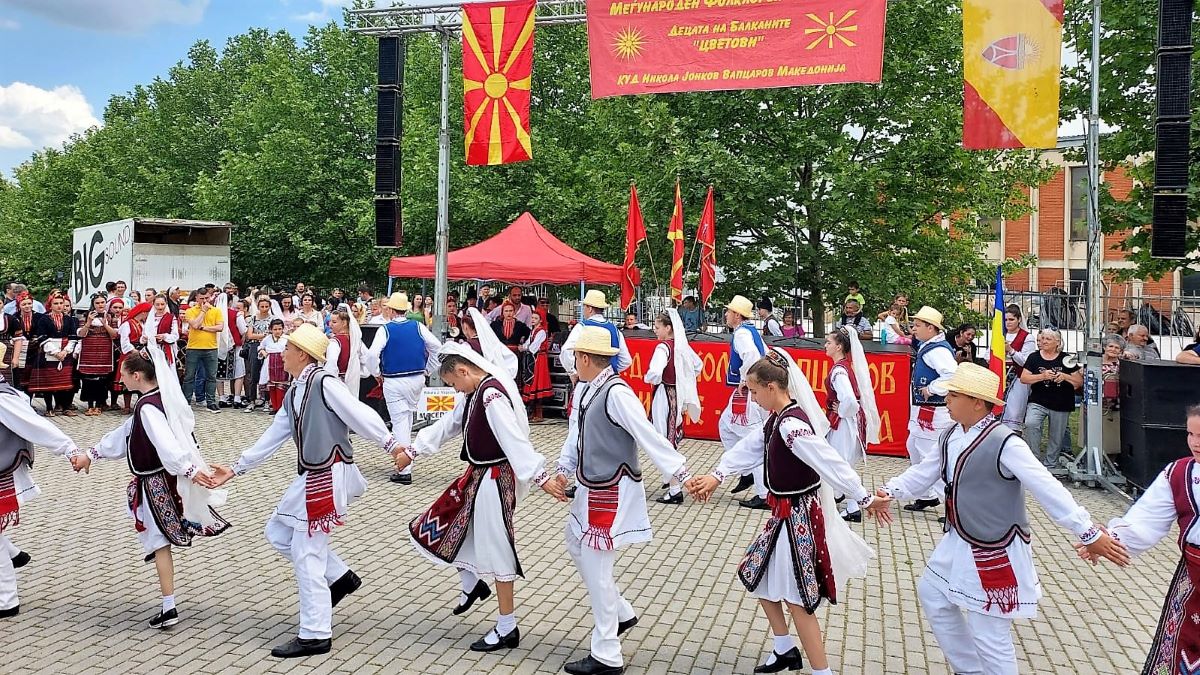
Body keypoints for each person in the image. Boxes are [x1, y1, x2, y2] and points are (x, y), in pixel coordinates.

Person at [876, 362, 1127, 675]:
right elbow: (924, 472)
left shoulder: (1006, 442)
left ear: (977, 403)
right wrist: (890, 491)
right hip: (958, 540)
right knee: (933, 594)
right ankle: (970, 670)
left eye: (954, 395)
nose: (947, 400)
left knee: (989, 632)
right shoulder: (951, 435)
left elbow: (1046, 487)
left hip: (995, 547)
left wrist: (1087, 531)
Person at [202, 324, 401, 658]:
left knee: (307, 553)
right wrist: (235, 468)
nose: (283, 353)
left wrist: (391, 444)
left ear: (304, 355)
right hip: (313, 473)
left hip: (327, 474)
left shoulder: (324, 382)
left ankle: (315, 633)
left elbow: (359, 413)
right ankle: (339, 577)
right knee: (277, 532)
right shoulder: (297, 388)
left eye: (289, 348)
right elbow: (275, 434)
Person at [686, 347, 889, 675]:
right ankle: (784, 649)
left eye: (754, 392)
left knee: (797, 598)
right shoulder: (776, 419)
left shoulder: (791, 426)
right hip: (783, 516)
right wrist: (717, 475)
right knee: (757, 575)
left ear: (771, 387)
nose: (752, 399)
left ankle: (822, 672)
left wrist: (864, 498)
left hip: (799, 519)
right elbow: (751, 447)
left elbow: (829, 461)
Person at [546, 327, 692, 675]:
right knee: (575, 542)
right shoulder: (588, 388)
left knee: (597, 568)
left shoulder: (616, 393)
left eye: (575, 356)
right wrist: (564, 468)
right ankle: (621, 612)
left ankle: (607, 653)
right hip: (591, 484)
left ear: (585, 358)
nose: (572, 362)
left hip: (609, 489)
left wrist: (681, 474)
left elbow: (647, 434)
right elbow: (577, 433)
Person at [398, 344, 561, 652]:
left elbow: (513, 439)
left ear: (464, 371)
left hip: (496, 478)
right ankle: (472, 584)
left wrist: (540, 477)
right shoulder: (474, 394)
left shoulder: (491, 396)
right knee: (438, 528)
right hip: (478, 475)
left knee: (499, 549)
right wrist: (414, 450)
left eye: (453, 383)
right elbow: (447, 425)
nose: (454, 389)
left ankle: (507, 626)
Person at [75, 345, 230, 629]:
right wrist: (91, 454)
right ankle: (167, 602)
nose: (120, 379)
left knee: (159, 543)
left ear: (136, 376)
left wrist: (189, 469)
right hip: (162, 477)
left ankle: (169, 607)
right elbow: (125, 433)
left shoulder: (148, 407)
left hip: (158, 481)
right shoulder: (157, 399)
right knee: (158, 541)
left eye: (123, 375)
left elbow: (166, 443)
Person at [1091, 404, 1200, 673]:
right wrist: (1107, 540)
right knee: (1183, 655)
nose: (1195, 443)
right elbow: (1145, 520)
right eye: (1191, 434)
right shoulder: (1180, 473)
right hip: (1194, 582)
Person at [0, 341, 81, 619]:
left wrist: (69, 448)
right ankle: (13, 553)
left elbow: (36, 425)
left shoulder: (4, 398)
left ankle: (6, 600)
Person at [364, 292, 441, 485]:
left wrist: (376, 372)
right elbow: (437, 346)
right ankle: (405, 461)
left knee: (399, 422)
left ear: (391, 310)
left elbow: (372, 355)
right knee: (406, 418)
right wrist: (428, 368)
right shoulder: (418, 326)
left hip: (394, 380)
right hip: (416, 378)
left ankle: (404, 468)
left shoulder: (386, 329)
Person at [716, 295, 771, 509]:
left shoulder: (741, 334)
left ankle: (763, 493)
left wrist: (745, 380)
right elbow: (766, 354)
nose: (726, 315)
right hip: (752, 390)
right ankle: (746, 471)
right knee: (725, 425)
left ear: (737, 315)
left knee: (752, 440)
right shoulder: (751, 330)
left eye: (729, 312)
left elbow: (752, 355)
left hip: (748, 392)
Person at [644, 309, 702, 504]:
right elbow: (698, 365)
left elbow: (654, 373)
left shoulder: (663, 348)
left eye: (657, 326)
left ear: (668, 328)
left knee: (662, 441)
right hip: (676, 395)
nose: (655, 330)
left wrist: (650, 378)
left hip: (664, 396)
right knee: (668, 438)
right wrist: (683, 381)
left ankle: (675, 487)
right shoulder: (681, 346)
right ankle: (671, 480)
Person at [824, 327, 882, 522]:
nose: (825, 345)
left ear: (839, 346)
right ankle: (846, 502)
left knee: (839, 465)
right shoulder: (844, 366)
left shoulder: (839, 371)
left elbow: (849, 399)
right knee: (842, 465)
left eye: (829, 342)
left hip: (845, 423)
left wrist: (841, 410)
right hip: (848, 422)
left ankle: (852, 505)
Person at [902, 306, 957, 513]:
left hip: (933, 413)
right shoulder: (929, 346)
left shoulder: (937, 350)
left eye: (917, 325)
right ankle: (926, 495)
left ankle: (950, 505)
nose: (914, 329)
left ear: (931, 328)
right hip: (923, 410)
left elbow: (952, 375)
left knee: (930, 456)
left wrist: (932, 389)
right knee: (914, 448)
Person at [1020, 328, 1082, 470]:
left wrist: (1064, 376)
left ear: (1057, 342)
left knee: (1056, 436)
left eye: (1048, 339)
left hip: (1061, 402)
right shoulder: (1034, 357)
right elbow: (1024, 378)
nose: (1044, 341)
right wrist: (1042, 376)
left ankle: (1051, 464)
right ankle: (1033, 461)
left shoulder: (1066, 359)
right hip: (1038, 400)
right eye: (1042, 338)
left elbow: (1079, 382)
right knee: (1030, 423)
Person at [559, 290, 632, 377]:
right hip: (610, 378)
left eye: (584, 307)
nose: (583, 310)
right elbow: (626, 361)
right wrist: (612, 370)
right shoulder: (615, 330)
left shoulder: (581, 327)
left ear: (590, 308)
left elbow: (566, 351)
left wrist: (572, 372)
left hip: (587, 378)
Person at [28, 294, 80, 417]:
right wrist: (55, 352)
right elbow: (42, 337)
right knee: (49, 382)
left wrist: (65, 351)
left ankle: (65, 407)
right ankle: (49, 408)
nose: (59, 306)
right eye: (56, 303)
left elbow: (73, 337)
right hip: (48, 352)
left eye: (61, 303)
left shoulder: (69, 319)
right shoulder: (44, 319)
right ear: (50, 305)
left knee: (65, 382)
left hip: (65, 353)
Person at [181, 288, 225, 413]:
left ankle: (211, 402)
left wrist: (203, 328)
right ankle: (186, 402)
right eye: (201, 298)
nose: (205, 301)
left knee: (211, 376)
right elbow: (195, 324)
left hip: (211, 347)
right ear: (196, 298)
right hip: (193, 348)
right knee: (189, 376)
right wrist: (203, 311)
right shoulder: (190, 311)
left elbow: (220, 327)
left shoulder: (216, 311)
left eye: (207, 298)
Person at [77, 295, 118, 416]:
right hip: (89, 350)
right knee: (88, 379)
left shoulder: (111, 317)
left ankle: (99, 405)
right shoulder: (85, 316)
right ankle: (90, 405)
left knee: (102, 379)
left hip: (104, 350)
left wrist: (105, 324)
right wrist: (89, 322)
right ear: (93, 304)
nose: (100, 305)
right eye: (97, 303)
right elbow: (81, 334)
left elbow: (114, 335)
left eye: (102, 302)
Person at [1000, 305, 1035, 431]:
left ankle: (1013, 435)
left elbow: (1026, 361)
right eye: (1006, 320)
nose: (1008, 323)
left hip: (1018, 378)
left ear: (1019, 319)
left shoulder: (1027, 337)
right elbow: (988, 356)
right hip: (1000, 376)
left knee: (1014, 412)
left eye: (1011, 319)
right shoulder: (1001, 335)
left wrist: (1011, 350)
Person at [323, 306, 364, 400]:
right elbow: (365, 358)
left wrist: (329, 381)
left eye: (334, 322)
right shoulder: (356, 340)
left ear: (344, 323)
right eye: (330, 321)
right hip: (352, 381)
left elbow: (331, 363)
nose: (330, 325)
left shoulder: (335, 342)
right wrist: (358, 373)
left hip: (338, 383)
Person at [243, 297, 275, 412]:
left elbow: (274, 333)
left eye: (266, 306)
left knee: (266, 373)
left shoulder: (273, 319)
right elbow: (249, 335)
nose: (264, 309)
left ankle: (266, 400)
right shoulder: (253, 318)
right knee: (253, 373)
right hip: (254, 346)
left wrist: (259, 335)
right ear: (258, 307)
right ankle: (252, 400)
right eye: (262, 306)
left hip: (268, 346)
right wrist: (264, 335)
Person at [217, 298, 249, 409]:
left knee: (219, 373)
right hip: (234, 346)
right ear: (230, 302)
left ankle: (221, 398)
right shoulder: (236, 314)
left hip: (218, 346)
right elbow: (243, 330)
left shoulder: (214, 313)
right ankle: (237, 398)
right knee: (239, 373)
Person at [521, 313, 552, 423]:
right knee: (532, 381)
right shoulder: (533, 331)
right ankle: (532, 412)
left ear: (540, 320)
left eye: (536, 318)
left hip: (539, 359)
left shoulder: (541, 331)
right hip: (534, 358)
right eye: (532, 318)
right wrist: (524, 346)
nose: (533, 320)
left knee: (537, 382)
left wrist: (524, 348)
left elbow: (534, 347)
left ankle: (538, 414)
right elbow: (528, 343)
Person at [259, 319, 289, 413]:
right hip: (270, 363)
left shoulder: (286, 339)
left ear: (283, 329)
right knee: (271, 386)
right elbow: (260, 347)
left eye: (279, 329)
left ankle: (280, 408)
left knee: (281, 386)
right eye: (275, 329)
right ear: (271, 329)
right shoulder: (267, 339)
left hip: (282, 363)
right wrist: (263, 352)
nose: (277, 331)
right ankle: (274, 407)